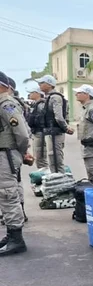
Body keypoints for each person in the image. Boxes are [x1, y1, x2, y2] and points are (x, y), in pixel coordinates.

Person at [0, 71, 33, 256]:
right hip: (4, 154)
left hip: (6, 154)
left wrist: (22, 152)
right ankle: (11, 235)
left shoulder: (7, 104)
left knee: (8, 194)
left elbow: (21, 133)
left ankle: (16, 239)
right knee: (4, 195)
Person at [34, 74, 73, 173]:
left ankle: (60, 182)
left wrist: (66, 128)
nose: (40, 85)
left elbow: (59, 117)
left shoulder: (55, 97)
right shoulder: (49, 97)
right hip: (51, 132)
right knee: (52, 158)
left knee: (56, 159)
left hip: (56, 132)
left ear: (49, 84)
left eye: (42, 83)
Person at [74, 84, 93, 183]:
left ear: (87, 95)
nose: (76, 94)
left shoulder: (92, 109)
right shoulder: (86, 108)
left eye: (79, 92)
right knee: (90, 172)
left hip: (92, 147)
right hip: (87, 146)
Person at [26, 90, 48, 170]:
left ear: (38, 94)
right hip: (37, 132)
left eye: (32, 92)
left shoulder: (41, 105)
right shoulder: (36, 104)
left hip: (40, 132)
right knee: (38, 158)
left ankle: (46, 178)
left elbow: (41, 119)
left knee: (40, 159)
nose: (30, 94)